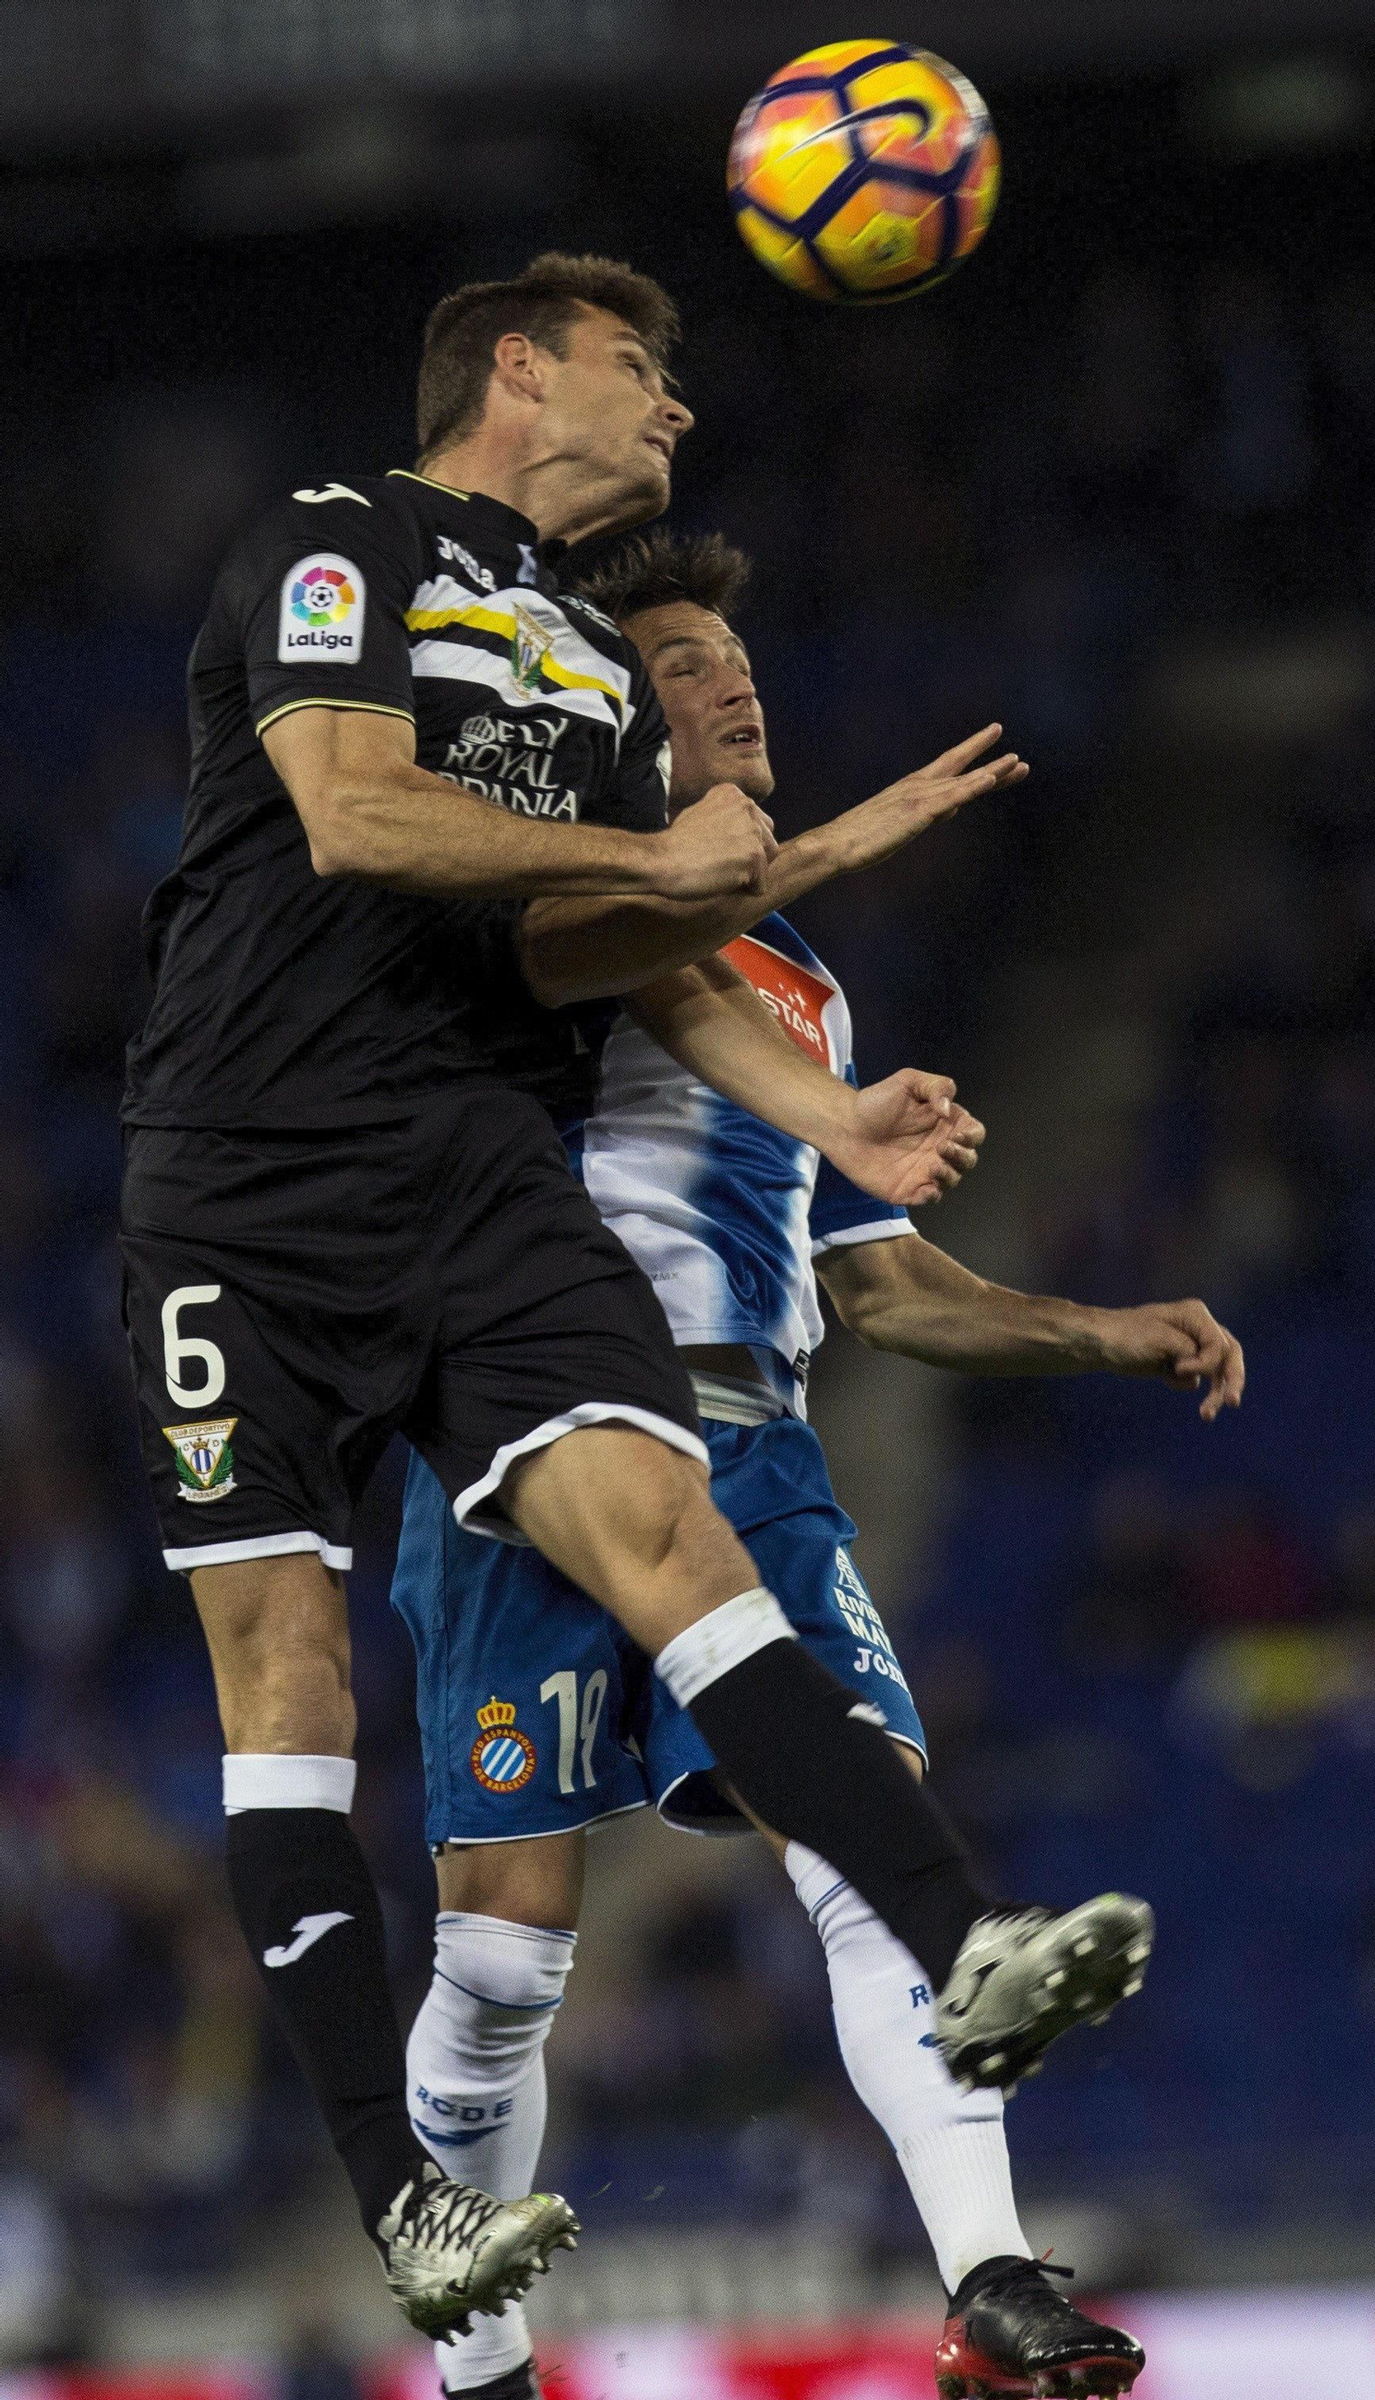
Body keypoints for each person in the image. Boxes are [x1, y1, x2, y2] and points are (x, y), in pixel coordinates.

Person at [118, 252, 1151, 2339]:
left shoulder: (591, 688)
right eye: (640, 372)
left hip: (481, 1184)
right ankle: (403, 2214)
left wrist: (828, 1111)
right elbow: (343, 809)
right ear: (519, 369)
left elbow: (616, 958)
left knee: (671, 1524)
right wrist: (709, 866)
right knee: (291, 1697)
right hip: (241, 1181)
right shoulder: (341, 543)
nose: (672, 409)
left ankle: (961, 1946)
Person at [392, 531, 1245, 2399]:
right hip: (537, 1430)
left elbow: (874, 1284)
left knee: (863, 1826)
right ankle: (484, 2372)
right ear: (607, 712)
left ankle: (995, 2280)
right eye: (685, 662)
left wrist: (1094, 1326)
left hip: (752, 1439)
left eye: (737, 656)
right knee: (510, 1953)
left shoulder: (808, 991)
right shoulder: (551, 905)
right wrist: (829, 843)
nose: (734, 681)